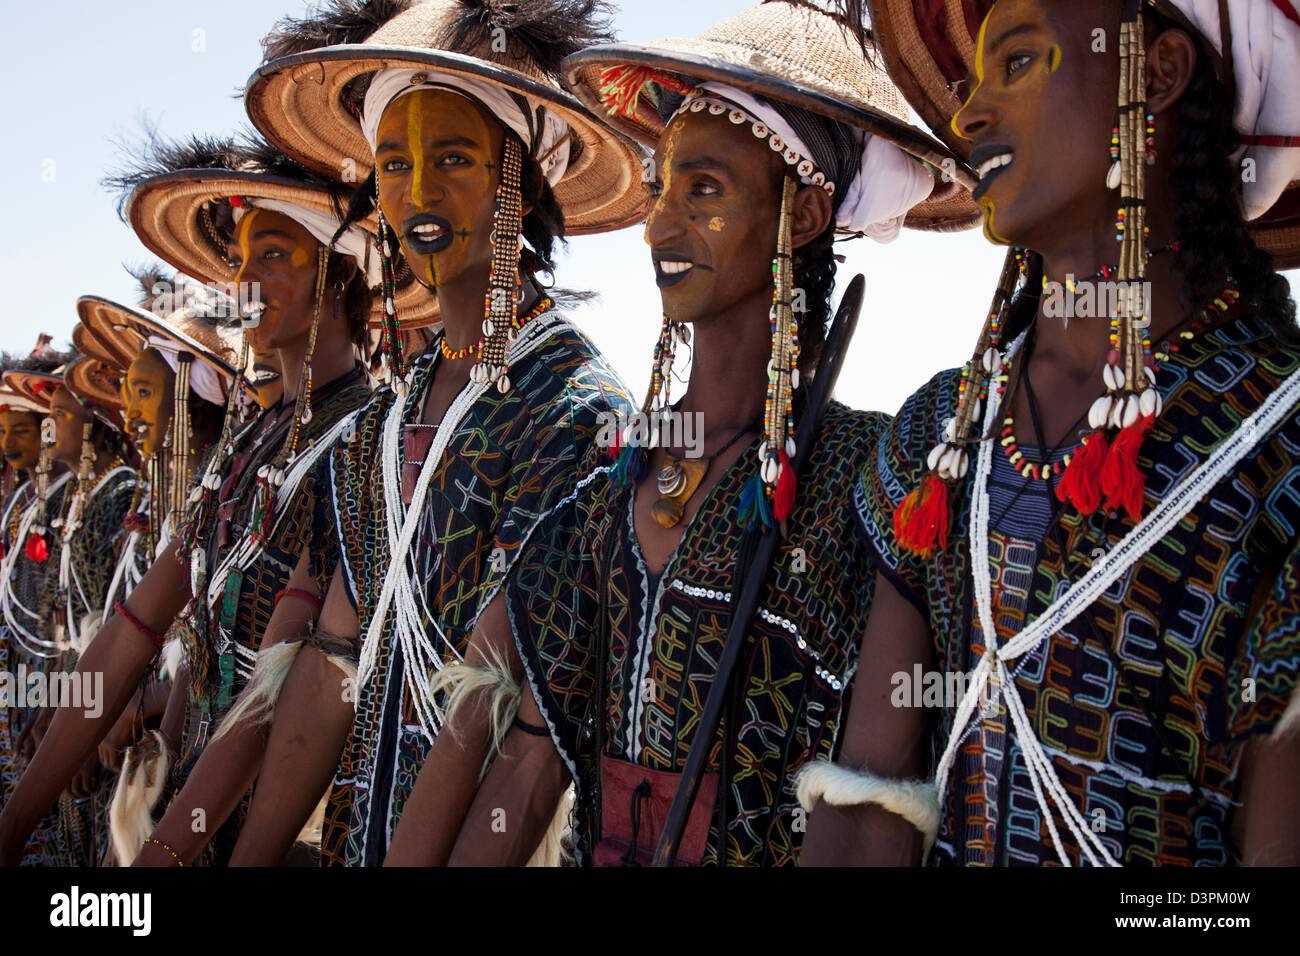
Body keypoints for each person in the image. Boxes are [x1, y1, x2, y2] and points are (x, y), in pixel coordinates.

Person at [390, 0, 977, 867]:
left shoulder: (870, 484)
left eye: (703, 190)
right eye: (662, 187)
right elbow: (525, 759)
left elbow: (869, 808)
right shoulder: (608, 488)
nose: (660, 225)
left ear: (805, 216)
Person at [801, 0, 1300, 866]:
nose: (970, 115)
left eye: (1020, 62)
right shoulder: (943, 432)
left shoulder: (1281, 436)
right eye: (975, 81)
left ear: (1159, 75)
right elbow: (865, 801)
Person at [154, 0, 645, 868]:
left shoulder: (575, 414)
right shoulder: (380, 427)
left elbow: (499, 723)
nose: (417, 192)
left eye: (452, 159)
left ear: (519, 183)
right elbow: (332, 658)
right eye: (394, 163)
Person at [0, 132, 385, 867]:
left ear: (338, 275)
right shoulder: (251, 446)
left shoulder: (366, 441)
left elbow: (280, 699)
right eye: (239, 263)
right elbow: (136, 627)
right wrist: (17, 815)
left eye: (271, 255)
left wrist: (158, 856)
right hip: (190, 821)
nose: (244, 284)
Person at [0, 345, 71, 866]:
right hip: (22, 667)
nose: (7, 443)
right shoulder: (27, 497)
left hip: (56, 671)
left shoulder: (71, 497)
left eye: (21, 431)